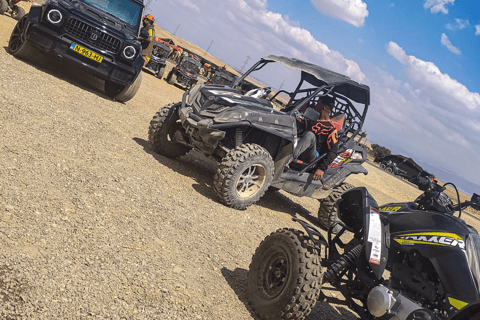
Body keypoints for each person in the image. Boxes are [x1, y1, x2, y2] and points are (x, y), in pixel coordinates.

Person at [292, 95, 339, 180]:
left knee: (310, 135)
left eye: (318, 103)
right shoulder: (311, 119)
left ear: (323, 107)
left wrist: (321, 168)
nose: (315, 105)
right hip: (300, 148)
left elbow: (333, 151)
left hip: (312, 157)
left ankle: (289, 157)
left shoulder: (331, 128)